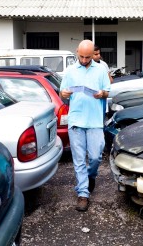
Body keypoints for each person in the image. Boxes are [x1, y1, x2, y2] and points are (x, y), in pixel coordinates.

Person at [60, 40, 111, 212]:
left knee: (96, 156)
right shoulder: (70, 70)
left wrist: (102, 94)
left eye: (87, 57)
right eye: (81, 56)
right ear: (77, 52)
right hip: (76, 121)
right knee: (79, 159)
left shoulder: (101, 70)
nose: (83, 60)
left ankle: (91, 176)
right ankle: (83, 193)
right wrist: (64, 93)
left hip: (95, 120)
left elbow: (108, 91)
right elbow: (62, 92)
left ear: (93, 54)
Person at [93, 45, 113, 120]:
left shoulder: (103, 65)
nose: (99, 56)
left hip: (101, 99)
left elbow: (110, 80)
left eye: (99, 53)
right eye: (96, 54)